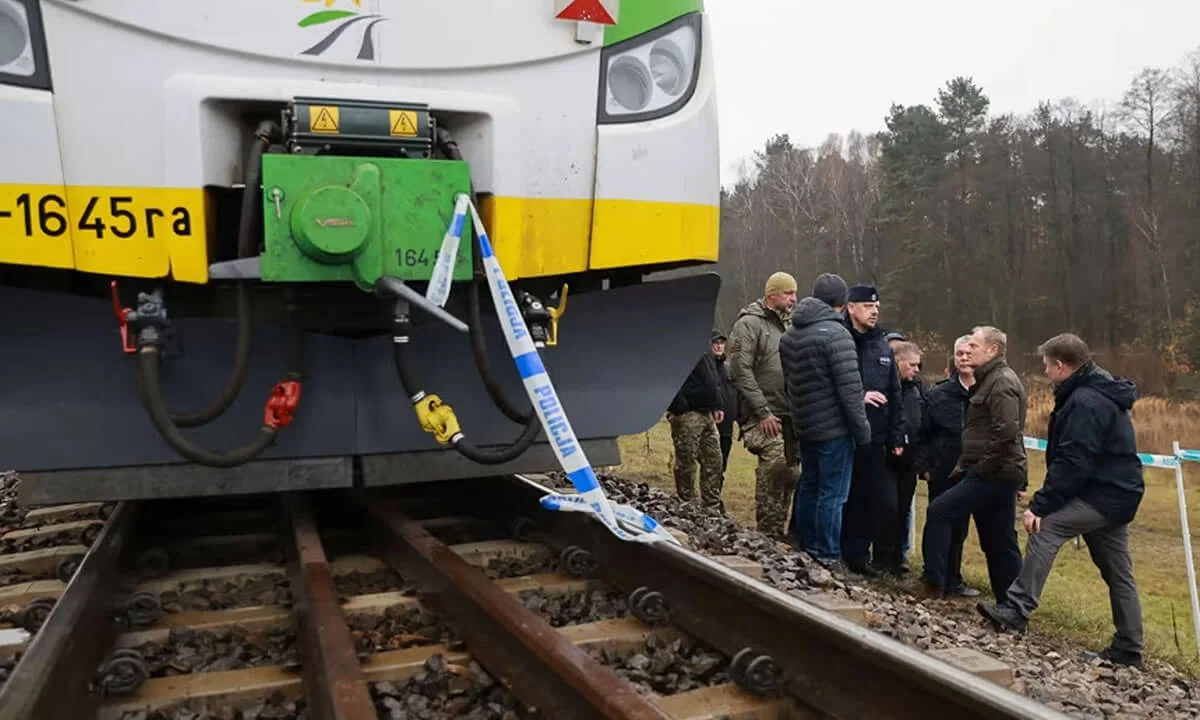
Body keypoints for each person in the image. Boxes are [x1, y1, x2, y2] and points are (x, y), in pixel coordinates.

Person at [978, 333, 1145, 667]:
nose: (1044, 370)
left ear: (1060, 365)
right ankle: (1129, 646)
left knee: (1045, 528)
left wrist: (1041, 505)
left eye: (1046, 364)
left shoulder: (1085, 401)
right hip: (1116, 492)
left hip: (1104, 494)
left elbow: (1074, 460)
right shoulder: (1094, 391)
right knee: (1118, 572)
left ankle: (1015, 609)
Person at [921, 326, 1026, 600]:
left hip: (993, 472)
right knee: (998, 539)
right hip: (994, 470)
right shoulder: (989, 379)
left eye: (975, 346)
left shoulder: (1001, 382)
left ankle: (934, 584)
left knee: (940, 511)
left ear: (992, 350)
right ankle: (1011, 603)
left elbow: (1006, 432)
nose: (968, 352)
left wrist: (980, 469)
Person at [779, 273, 871, 570]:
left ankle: (805, 543)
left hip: (805, 424)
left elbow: (789, 384)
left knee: (810, 485)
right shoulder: (836, 335)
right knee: (833, 493)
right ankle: (828, 554)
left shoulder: (790, 335)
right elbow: (849, 390)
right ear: (842, 302)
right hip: (834, 427)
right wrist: (862, 432)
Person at [727, 272, 800, 538]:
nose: (794, 299)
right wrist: (763, 412)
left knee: (791, 475)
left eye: (794, 293)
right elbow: (740, 371)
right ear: (772, 295)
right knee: (774, 468)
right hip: (762, 414)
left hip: (789, 415)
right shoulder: (749, 324)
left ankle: (779, 533)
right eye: (788, 293)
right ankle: (767, 534)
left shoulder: (791, 326)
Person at [841, 285, 905, 576]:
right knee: (843, 496)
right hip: (844, 432)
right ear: (851, 307)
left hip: (876, 436)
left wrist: (896, 433)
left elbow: (894, 390)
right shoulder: (841, 338)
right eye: (868, 306)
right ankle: (835, 551)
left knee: (871, 499)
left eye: (877, 307)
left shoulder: (881, 343)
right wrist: (859, 397)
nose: (874, 311)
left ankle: (859, 556)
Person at [916, 337, 982, 598]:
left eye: (968, 353)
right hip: (943, 468)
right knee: (938, 524)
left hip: (973, 471)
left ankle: (953, 578)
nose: (964, 358)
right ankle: (933, 577)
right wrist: (924, 466)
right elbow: (924, 434)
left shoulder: (988, 392)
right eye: (959, 354)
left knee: (960, 529)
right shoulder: (938, 394)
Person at [876, 340, 927, 574]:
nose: (917, 370)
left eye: (919, 365)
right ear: (898, 363)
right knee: (887, 507)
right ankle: (882, 557)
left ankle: (899, 557)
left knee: (903, 508)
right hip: (885, 457)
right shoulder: (884, 387)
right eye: (913, 365)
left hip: (910, 460)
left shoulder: (918, 388)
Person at [665, 343, 726, 512]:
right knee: (686, 461)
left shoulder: (701, 338)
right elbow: (667, 372)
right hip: (687, 412)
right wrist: (678, 406)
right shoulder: (675, 339)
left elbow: (712, 374)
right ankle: (688, 505)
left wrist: (717, 404)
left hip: (706, 411)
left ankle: (711, 506)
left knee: (714, 460)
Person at [710, 329, 740, 471]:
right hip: (708, 421)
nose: (718, 346)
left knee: (723, 462)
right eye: (715, 343)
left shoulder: (729, 368)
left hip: (727, 424)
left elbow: (736, 393)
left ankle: (716, 491)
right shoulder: (705, 367)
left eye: (721, 343)